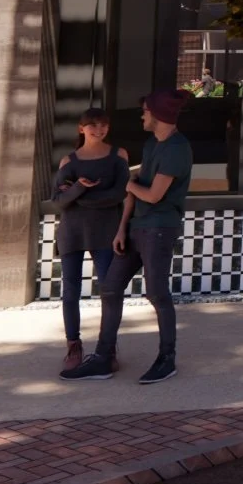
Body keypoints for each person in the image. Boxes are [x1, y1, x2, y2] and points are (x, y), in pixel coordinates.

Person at [64, 87, 192, 384]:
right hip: (137, 227)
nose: (142, 115)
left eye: (146, 111)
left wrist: (128, 183)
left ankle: (166, 358)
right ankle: (104, 358)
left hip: (160, 227)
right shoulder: (151, 145)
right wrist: (122, 227)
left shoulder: (177, 148)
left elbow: (154, 194)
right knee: (110, 288)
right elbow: (136, 190)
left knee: (157, 293)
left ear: (159, 114)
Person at [48, 109, 131, 371]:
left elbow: (118, 194)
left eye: (104, 125)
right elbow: (59, 201)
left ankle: (107, 348)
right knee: (70, 292)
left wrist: (78, 195)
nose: (99, 129)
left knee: (110, 291)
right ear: (81, 128)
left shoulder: (118, 155)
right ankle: (73, 345)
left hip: (106, 232)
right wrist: (80, 187)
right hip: (72, 232)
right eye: (92, 125)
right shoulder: (68, 161)